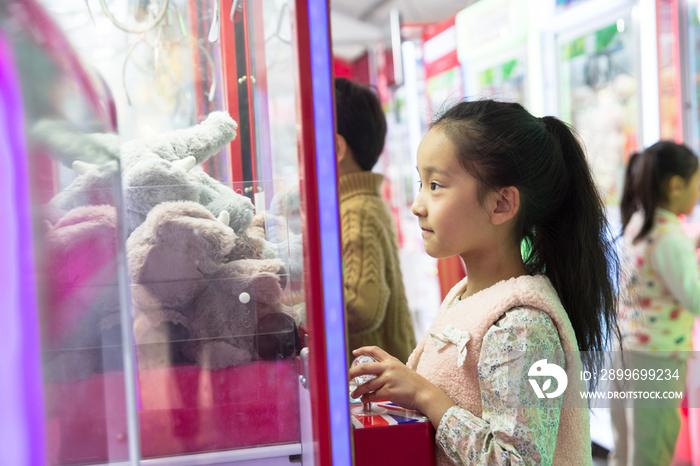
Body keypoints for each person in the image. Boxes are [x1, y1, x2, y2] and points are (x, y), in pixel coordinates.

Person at [349, 100, 619, 465]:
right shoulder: (464, 297)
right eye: (420, 182)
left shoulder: (521, 325)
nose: (417, 205)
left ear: (502, 204)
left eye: (435, 185)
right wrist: (400, 384)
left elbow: (516, 461)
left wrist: (426, 396)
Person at [610, 141, 700, 466]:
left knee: (624, 449)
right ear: (676, 185)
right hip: (656, 365)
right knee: (653, 451)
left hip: (624, 353)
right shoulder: (670, 240)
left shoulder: (639, 221)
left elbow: (658, 261)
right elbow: (695, 297)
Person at [335, 77, 416, 364]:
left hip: (379, 387)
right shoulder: (363, 202)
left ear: (337, 148)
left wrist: (308, 289)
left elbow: (363, 308)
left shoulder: (355, 210)